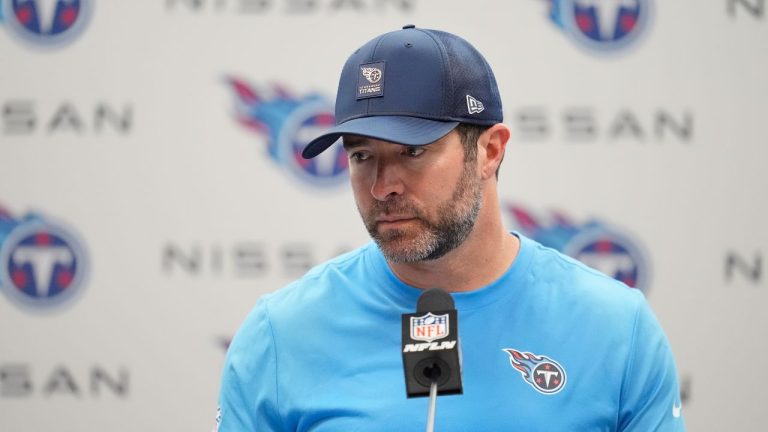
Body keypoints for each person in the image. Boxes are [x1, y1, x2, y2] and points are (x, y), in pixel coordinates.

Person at [216, 25, 686, 431]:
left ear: (490, 150)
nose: (382, 187)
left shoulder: (614, 328)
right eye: (362, 156)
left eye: (412, 151)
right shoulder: (281, 334)